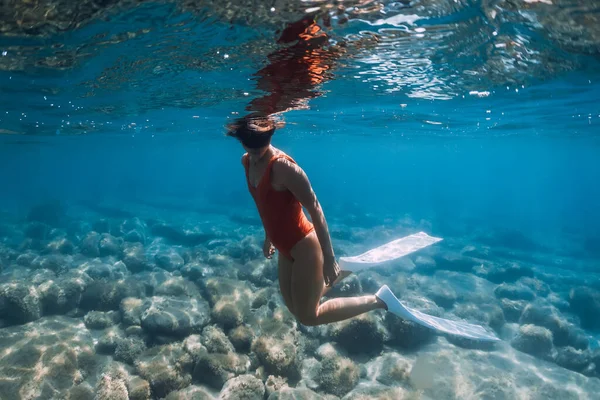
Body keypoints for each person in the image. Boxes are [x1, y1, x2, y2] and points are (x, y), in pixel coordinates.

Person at [226, 114, 387, 326]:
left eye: (261, 148)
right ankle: (346, 268)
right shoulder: (246, 161)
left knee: (309, 317)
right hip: (284, 247)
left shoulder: (284, 167)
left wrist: (329, 259)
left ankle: (379, 300)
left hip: (304, 246)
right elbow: (267, 206)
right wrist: (269, 237)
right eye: (250, 148)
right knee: (295, 308)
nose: (256, 155)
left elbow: (316, 209)